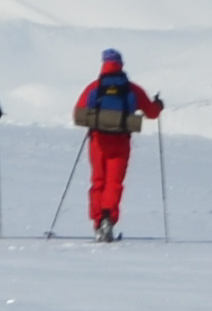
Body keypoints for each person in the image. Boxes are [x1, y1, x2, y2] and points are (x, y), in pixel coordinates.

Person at [71, 48, 166, 240]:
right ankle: (109, 219)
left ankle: (98, 223)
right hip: (121, 142)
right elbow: (152, 112)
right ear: (120, 64)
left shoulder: (94, 87)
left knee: (98, 181)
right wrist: (159, 105)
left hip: (98, 141)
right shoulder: (131, 88)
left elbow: (78, 113)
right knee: (114, 183)